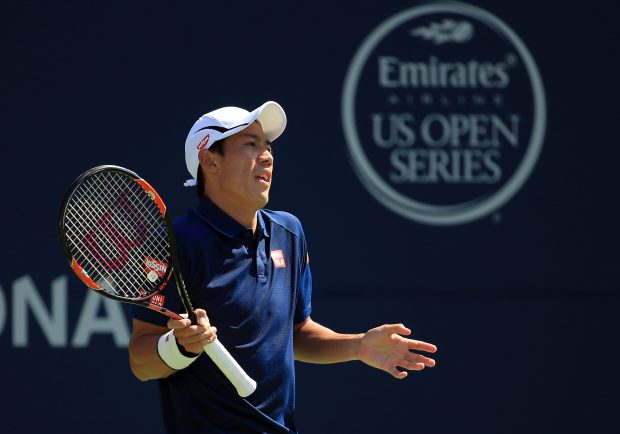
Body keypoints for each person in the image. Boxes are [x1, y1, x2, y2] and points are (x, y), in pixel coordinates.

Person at [128, 101, 437, 434]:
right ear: (209, 160)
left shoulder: (289, 233)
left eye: (268, 146)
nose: (267, 156)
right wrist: (180, 346)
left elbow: (297, 334)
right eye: (250, 144)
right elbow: (142, 362)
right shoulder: (178, 242)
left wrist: (358, 345)